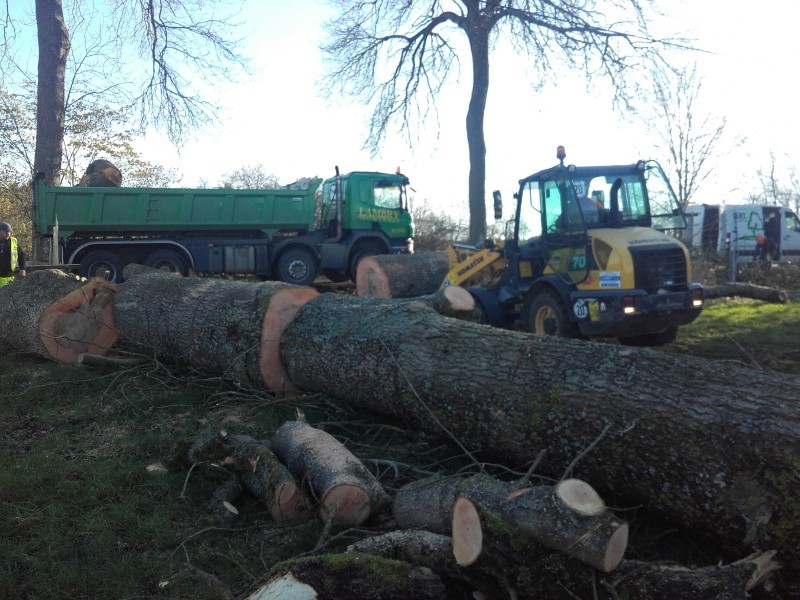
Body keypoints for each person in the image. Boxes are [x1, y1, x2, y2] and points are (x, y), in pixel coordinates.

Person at [0, 221, 26, 287]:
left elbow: (21, 256)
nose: (8, 233)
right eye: (6, 232)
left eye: (9, 232)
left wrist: (22, 268)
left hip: (9, 277)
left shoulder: (14, 241)